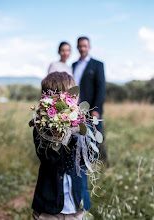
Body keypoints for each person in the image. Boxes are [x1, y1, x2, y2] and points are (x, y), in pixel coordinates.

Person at [32, 72, 91, 220]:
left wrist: (78, 130)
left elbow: (92, 157)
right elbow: (49, 159)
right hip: (48, 206)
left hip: (76, 205)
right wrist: (57, 135)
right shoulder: (41, 128)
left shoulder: (83, 125)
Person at [72, 36, 108, 163]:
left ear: (89, 47)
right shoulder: (74, 65)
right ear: (77, 47)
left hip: (92, 107)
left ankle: (101, 162)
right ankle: (83, 160)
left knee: (97, 134)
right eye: (80, 46)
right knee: (80, 134)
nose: (82, 48)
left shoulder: (97, 65)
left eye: (85, 46)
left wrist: (96, 109)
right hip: (76, 108)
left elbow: (101, 88)